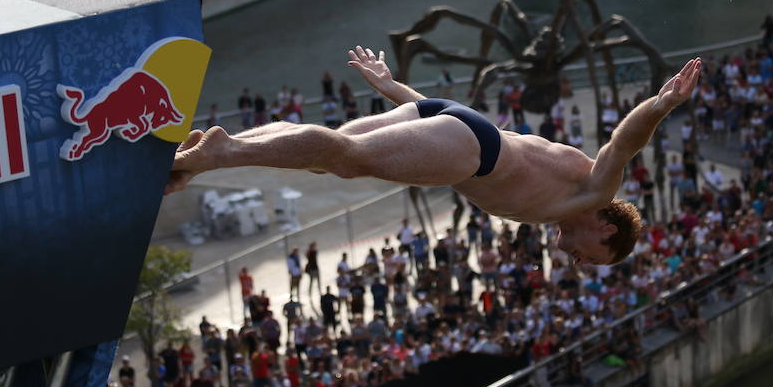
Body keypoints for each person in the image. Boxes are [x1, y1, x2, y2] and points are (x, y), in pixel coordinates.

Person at [170, 48, 703, 265]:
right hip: (475, 151)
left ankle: (219, 145)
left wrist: (395, 89)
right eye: (591, 257)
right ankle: (221, 153)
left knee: (327, 154)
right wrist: (661, 103)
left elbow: (461, 123)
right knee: (346, 157)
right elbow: (624, 143)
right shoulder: (594, 191)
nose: (576, 260)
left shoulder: (564, 185)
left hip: (460, 127)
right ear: (607, 230)